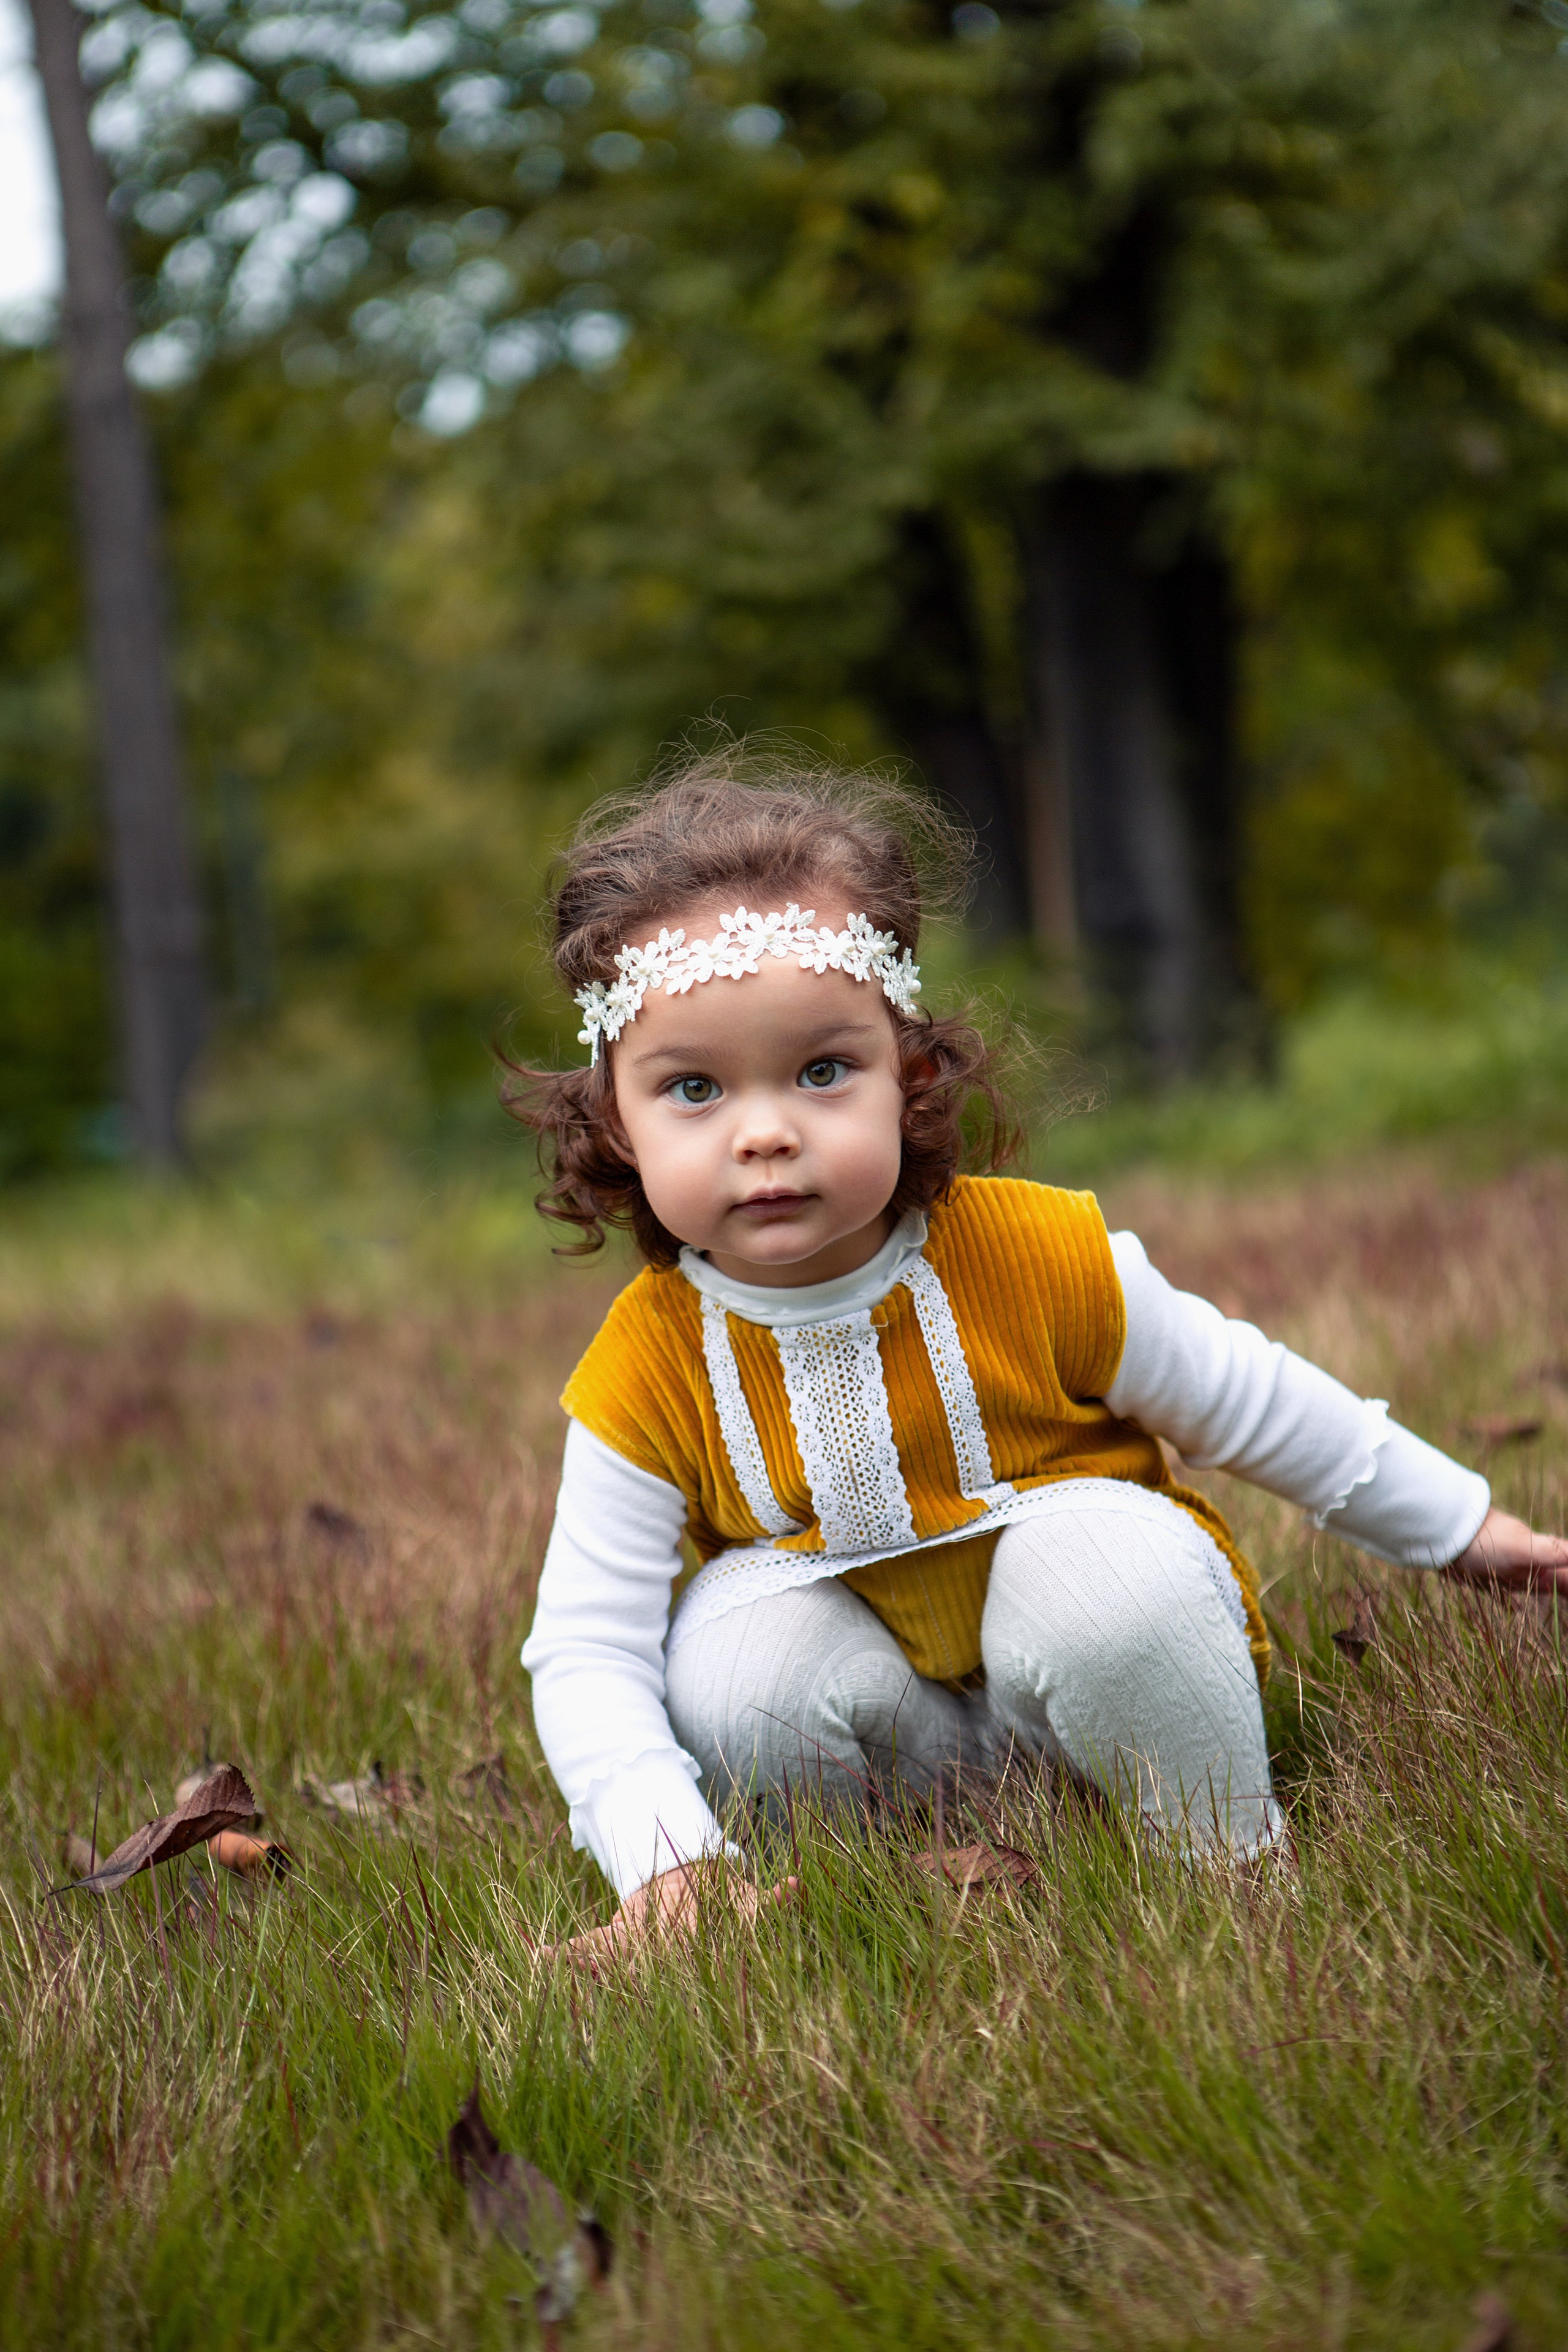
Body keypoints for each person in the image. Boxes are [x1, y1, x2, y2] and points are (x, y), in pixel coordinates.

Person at [512, 755, 1568, 1966]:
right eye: (693, 1088)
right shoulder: (650, 1361)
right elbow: (589, 1647)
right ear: (615, 1124)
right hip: (884, 1741)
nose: (764, 1131)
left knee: (1101, 1567)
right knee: (729, 1652)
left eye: (820, 1071)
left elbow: (1252, 1402)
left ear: (905, 1073)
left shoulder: (1036, 1255)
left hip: (1100, 1674)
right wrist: (665, 1862)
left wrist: (1463, 1530)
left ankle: (1222, 1869)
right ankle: (886, 1901)